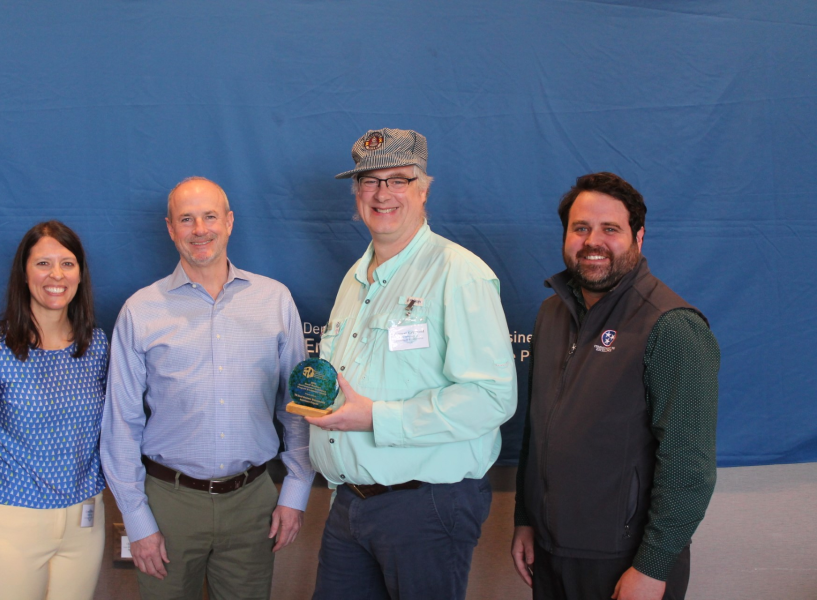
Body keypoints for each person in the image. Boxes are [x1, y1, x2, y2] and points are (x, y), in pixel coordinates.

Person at [307, 128, 518, 599]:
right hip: (350, 504)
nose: (382, 194)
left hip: (425, 508)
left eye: (398, 180)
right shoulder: (354, 279)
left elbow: (492, 398)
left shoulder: (459, 273)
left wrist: (377, 418)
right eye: (369, 181)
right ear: (356, 194)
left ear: (423, 190)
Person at [100, 176, 314, 600]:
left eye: (210, 217)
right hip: (168, 504)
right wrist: (137, 520)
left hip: (253, 503)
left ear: (229, 222)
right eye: (186, 219)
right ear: (170, 228)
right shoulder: (140, 311)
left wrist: (296, 492)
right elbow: (121, 422)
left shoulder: (274, 300)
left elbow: (297, 407)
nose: (200, 229)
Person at [511, 172, 720, 600]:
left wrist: (652, 567)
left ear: (638, 237)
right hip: (549, 552)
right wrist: (525, 518)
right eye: (581, 228)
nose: (593, 241)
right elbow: (537, 428)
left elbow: (689, 467)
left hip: (625, 561)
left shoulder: (672, 327)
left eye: (610, 229)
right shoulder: (550, 314)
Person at [0, 221, 108, 600]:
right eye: (43, 263)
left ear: (80, 274)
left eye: (67, 264)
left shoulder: (96, 347)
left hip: (84, 521)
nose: (56, 275)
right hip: (12, 522)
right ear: (24, 273)